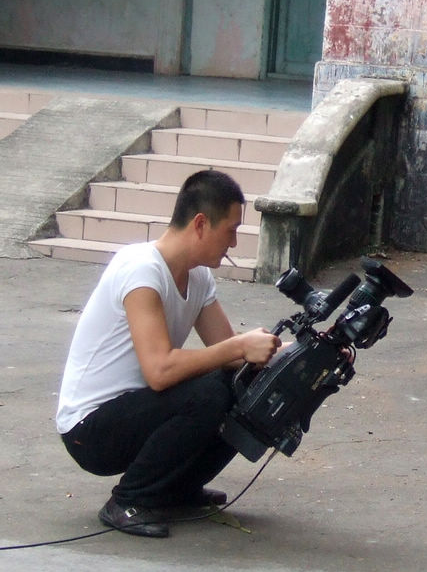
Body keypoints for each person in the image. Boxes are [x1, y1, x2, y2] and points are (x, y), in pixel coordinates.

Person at [57, 169, 282, 538]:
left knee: (243, 384)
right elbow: (159, 370)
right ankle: (128, 500)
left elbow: (230, 357)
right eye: (230, 230)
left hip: (137, 410)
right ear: (200, 224)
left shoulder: (198, 278)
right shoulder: (141, 269)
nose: (234, 243)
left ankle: (174, 488)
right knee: (210, 393)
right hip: (90, 430)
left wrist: (293, 354)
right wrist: (240, 346)